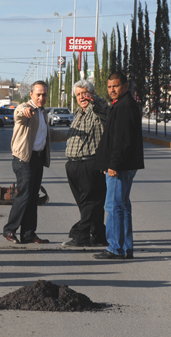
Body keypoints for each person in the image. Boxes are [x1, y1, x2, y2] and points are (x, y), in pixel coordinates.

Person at [2, 80, 66, 244]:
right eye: (38, 94)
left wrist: (71, 133)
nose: (41, 97)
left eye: (44, 95)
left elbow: (48, 134)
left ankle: (28, 234)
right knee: (24, 195)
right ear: (31, 94)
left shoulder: (43, 113)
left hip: (37, 159)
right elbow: (18, 114)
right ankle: (9, 229)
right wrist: (25, 110)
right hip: (24, 159)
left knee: (33, 197)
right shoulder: (26, 108)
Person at [93, 72, 144, 259]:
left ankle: (116, 248)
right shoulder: (122, 104)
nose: (112, 90)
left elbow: (122, 141)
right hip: (123, 164)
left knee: (114, 206)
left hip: (120, 166)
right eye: (109, 87)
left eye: (115, 86)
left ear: (126, 86)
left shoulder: (124, 107)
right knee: (122, 206)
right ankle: (124, 248)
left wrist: (113, 164)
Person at [62, 80, 109, 247]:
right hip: (73, 164)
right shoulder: (77, 113)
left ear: (92, 93)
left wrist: (95, 99)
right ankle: (99, 235)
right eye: (78, 94)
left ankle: (80, 233)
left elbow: (105, 108)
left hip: (90, 163)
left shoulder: (97, 110)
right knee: (85, 204)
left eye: (85, 93)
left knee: (92, 201)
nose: (82, 97)